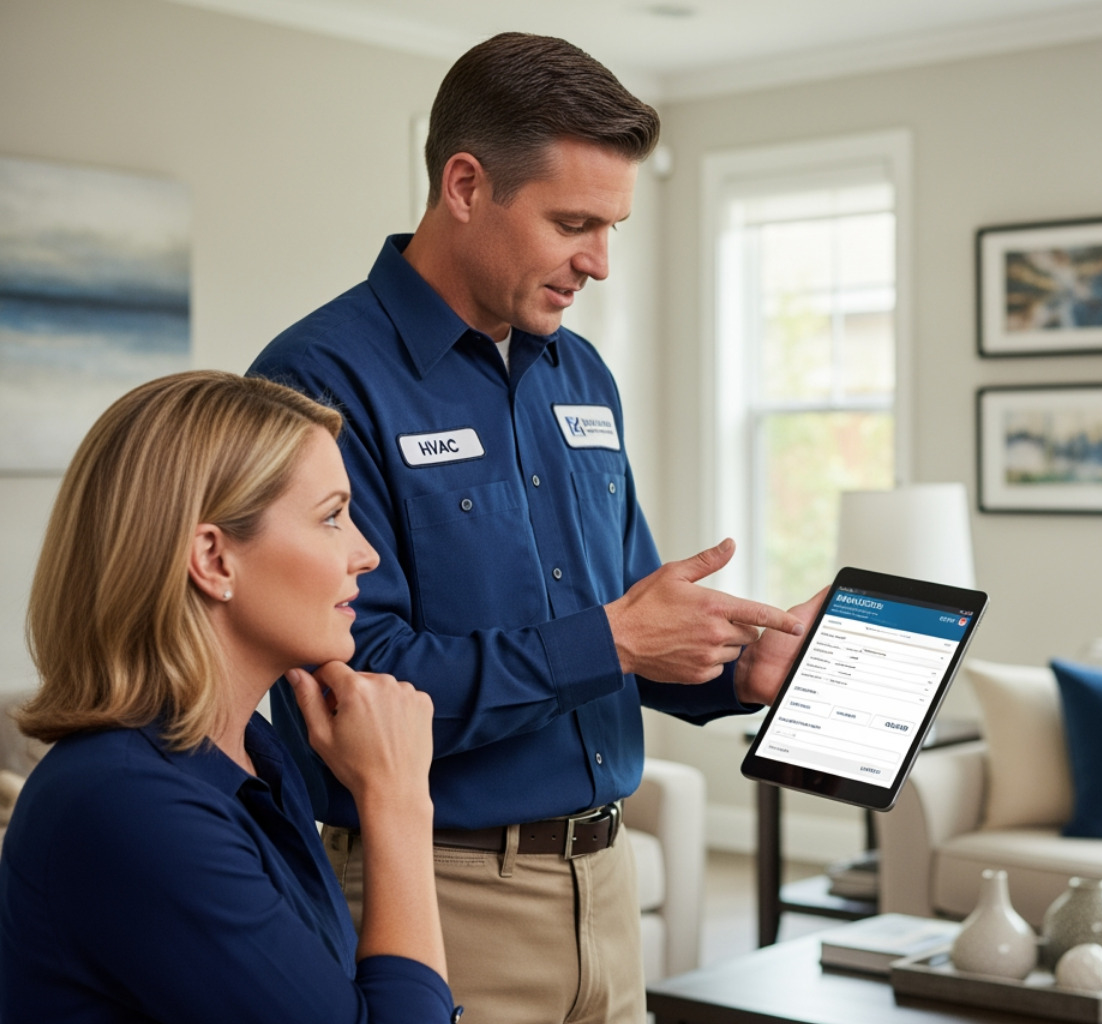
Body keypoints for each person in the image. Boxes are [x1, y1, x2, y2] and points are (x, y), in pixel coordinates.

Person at [249, 31, 819, 1023]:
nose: (598, 261)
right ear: (465, 184)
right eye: (573, 222)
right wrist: (613, 638)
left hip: (605, 891)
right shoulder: (318, 380)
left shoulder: (581, 374)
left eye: (612, 226)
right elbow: (349, 684)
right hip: (434, 894)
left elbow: (625, 622)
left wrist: (737, 672)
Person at [0, 372, 457, 1023]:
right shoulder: (129, 807)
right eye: (332, 517)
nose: (367, 554)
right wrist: (398, 801)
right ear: (213, 560)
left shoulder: (253, 757)